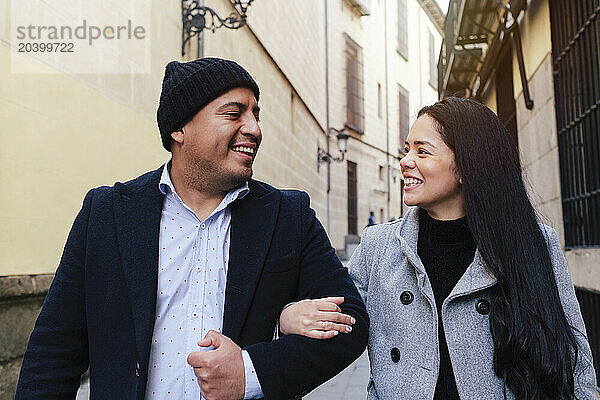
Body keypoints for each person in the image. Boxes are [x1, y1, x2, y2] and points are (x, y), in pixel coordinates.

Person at [15, 57, 368, 400]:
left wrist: (251, 372)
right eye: (233, 114)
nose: (254, 129)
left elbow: (350, 321)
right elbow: (54, 351)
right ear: (179, 129)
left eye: (255, 115)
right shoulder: (107, 213)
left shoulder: (288, 216)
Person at [279, 97, 597, 399]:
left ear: (465, 166)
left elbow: (575, 357)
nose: (404, 162)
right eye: (406, 150)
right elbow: (340, 318)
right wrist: (286, 318)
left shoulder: (532, 243)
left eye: (422, 152)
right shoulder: (378, 248)